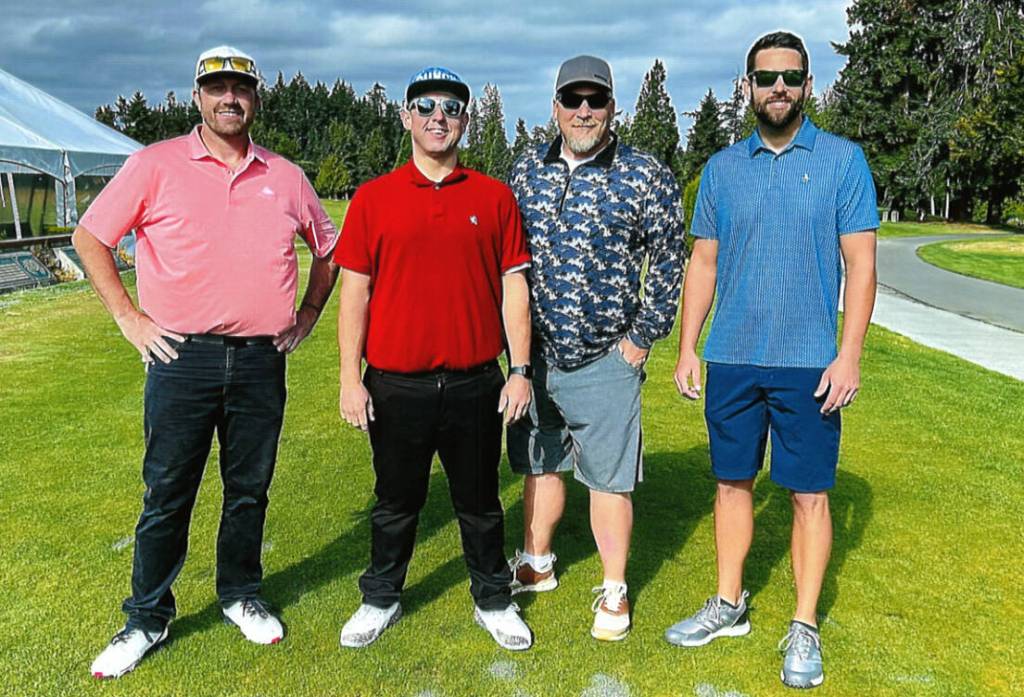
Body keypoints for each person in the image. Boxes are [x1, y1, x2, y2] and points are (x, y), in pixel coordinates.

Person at [75, 46, 339, 679]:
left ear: (255, 98)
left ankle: (240, 594)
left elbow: (330, 250)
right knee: (167, 492)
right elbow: (91, 237)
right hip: (180, 359)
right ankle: (146, 616)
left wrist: (306, 315)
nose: (229, 98)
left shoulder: (286, 174)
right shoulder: (154, 164)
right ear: (197, 96)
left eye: (240, 89)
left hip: (258, 361)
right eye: (216, 87)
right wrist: (129, 317)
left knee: (248, 489)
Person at [663, 31, 879, 689]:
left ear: (807, 86)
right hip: (732, 358)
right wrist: (687, 346)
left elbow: (862, 263)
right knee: (731, 483)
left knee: (809, 495)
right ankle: (729, 603)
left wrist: (849, 355)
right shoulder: (724, 169)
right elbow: (703, 263)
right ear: (747, 86)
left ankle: (805, 624)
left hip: (811, 364)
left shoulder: (843, 162)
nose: (777, 88)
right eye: (765, 78)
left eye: (790, 77)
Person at [335, 66, 534, 651]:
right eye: (425, 107)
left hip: (476, 382)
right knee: (396, 501)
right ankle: (381, 596)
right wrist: (351, 376)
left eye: (450, 107)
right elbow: (355, 291)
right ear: (406, 118)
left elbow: (514, 287)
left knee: (479, 501)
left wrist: (520, 369)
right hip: (397, 384)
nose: (437, 117)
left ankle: (493, 599)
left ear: (465, 121)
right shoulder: (374, 198)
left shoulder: (493, 197)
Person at [507, 55, 685, 642]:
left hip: (607, 357)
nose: (585, 111)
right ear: (554, 106)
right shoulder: (526, 171)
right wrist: (515, 355)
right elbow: (507, 263)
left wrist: (639, 340)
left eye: (596, 101)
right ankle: (536, 563)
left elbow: (669, 260)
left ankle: (614, 589)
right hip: (534, 358)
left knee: (609, 480)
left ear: (614, 107)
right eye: (573, 100)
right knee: (540, 462)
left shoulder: (644, 173)